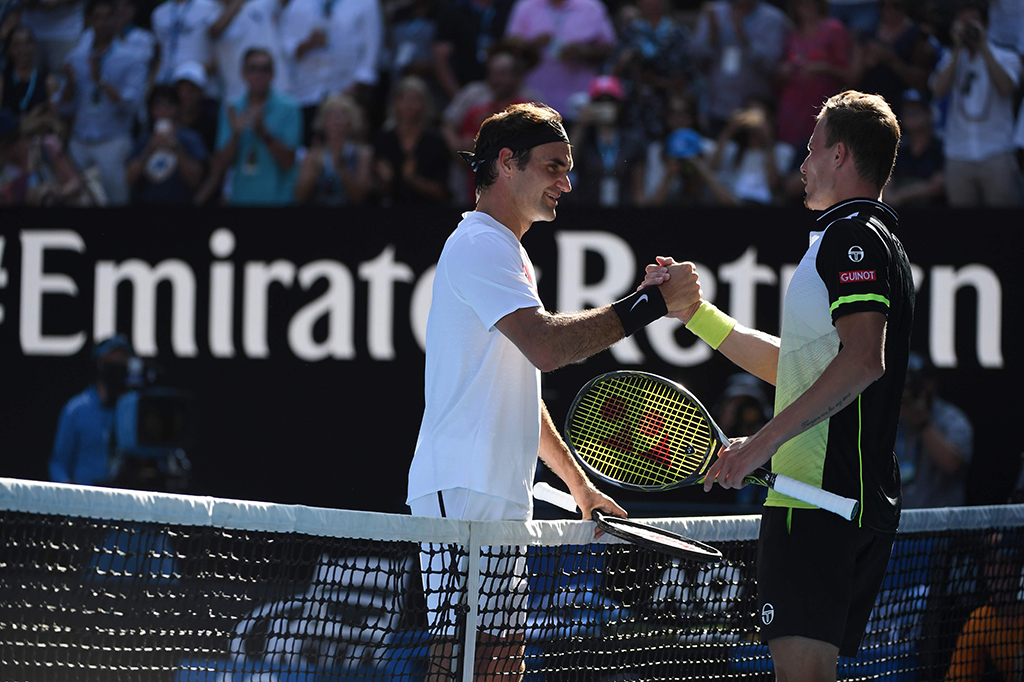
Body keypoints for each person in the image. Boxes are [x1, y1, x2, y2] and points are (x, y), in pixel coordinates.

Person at [407, 101, 702, 681]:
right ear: (508, 163)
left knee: (500, 661)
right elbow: (546, 347)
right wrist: (647, 305)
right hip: (462, 486)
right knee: (462, 658)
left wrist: (579, 486)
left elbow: (523, 390)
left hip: (497, 491)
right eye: (553, 167)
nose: (566, 182)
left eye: (568, 168)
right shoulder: (480, 244)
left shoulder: (506, 250)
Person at [645, 90, 913, 679]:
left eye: (813, 147)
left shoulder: (853, 239)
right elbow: (805, 373)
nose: (803, 162)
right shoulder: (862, 239)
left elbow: (865, 360)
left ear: (840, 155)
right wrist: (698, 315)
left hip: (815, 502)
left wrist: (758, 446)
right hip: (841, 501)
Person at [930, 0, 1022, 207]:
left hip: (997, 151)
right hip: (958, 153)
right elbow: (938, 90)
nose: (968, 28)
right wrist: (956, 50)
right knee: (963, 227)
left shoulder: (1007, 57)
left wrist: (983, 46)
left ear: (986, 24)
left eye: (973, 22)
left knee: (1002, 223)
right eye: (963, 23)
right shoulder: (950, 57)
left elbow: (1007, 87)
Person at [59, 0, 147, 205]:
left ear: (116, 20)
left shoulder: (131, 59)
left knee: (116, 202)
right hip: (79, 141)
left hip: (113, 141)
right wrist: (70, 85)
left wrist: (101, 81)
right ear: (89, 21)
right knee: (75, 202)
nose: (103, 23)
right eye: (97, 17)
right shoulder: (75, 57)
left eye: (108, 17)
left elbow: (131, 106)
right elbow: (65, 107)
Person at [198, 47, 301, 204]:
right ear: (243, 73)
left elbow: (289, 161)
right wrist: (236, 135)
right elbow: (220, 166)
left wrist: (263, 133)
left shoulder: (289, 107)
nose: (259, 75)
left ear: (273, 73)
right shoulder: (232, 107)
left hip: (278, 199)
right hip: (240, 199)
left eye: (264, 69)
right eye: (253, 69)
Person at [504, 0, 617, 122]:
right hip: (534, 103)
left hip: (579, 102)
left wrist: (582, 52)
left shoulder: (592, 7)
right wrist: (531, 45)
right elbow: (508, 47)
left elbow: (609, 49)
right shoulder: (525, 6)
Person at [689, 0, 788, 137]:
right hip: (717, 106)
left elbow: (771, 65)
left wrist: (744, 38)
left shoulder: (773, 18)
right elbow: (696, 59)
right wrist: (711, 37)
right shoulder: (714, 12)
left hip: (754, 110)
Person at [49, 335, 134, 486]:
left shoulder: (133, 410)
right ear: (100, 363)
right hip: (85, 502)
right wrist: (69, 494)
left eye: (122, 361)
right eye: (112, 360)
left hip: (124, 502)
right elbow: (58, 464)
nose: (117, 365)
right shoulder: (76, 409)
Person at [896, 353, 973, 509]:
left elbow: (953, 465)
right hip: (898, 524)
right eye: (903, 384)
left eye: (913, 383)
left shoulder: (952, 419)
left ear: (930, 384)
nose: (907, 391)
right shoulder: (888, 419)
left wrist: (923, 424)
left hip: (939, 525)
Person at [944, 532, 1024, 681]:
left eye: (1005, 563)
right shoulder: (980, 621)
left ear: (1019, 566)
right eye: (991, 563)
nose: (997, 571)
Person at [775, 0, 851, 149]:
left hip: (821, 103)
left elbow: (848, 75)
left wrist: (824, 68)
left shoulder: (834, 29)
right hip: (793, 106)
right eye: (801, 3)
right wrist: (784, 70)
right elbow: (778, 74)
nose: (806, 6)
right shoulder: (791, 34)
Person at [372, 75, 449, 204]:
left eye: (415, 99)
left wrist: (413, 180)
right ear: (395, 103)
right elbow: (372, 192)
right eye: (404, 98)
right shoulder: (383, 139)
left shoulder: (436, 141)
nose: (409, 104)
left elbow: (443, 191)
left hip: (428, 212)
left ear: (425, 104)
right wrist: (385, 180)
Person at [126, 84, 207, 203]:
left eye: (169, 105)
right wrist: (149, 149)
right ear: (151, 110)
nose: (164, 110)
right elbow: (129, 179)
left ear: (177, 108)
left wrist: (177, 149)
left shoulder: (190, 138)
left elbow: (195, 181)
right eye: (158, 105)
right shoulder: (144, 140)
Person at [293, 94, 372, 205]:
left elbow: (360, 197)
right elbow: (300, 196)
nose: (337, 120)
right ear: (323, 121)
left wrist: (343, 169)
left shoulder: (362, 153)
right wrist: (314, 171)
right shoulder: (312, 155)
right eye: (331, 114)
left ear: (351, 120)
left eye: (343, 114)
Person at [883, 88, 944, 207]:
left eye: (917, 110)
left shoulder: (941, 147)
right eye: (908, 111)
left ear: (929, 113)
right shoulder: (897, 149)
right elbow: (886, 186)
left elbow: (939, 185)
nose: (912, 114)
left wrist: (902, 195)